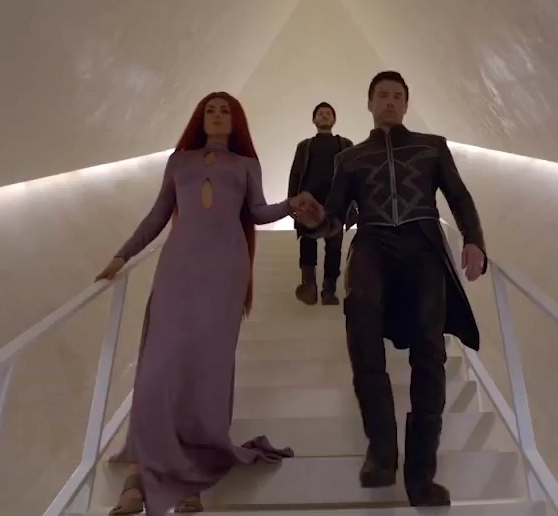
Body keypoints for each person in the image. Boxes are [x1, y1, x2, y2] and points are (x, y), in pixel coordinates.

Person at [95, 92, 313, 516]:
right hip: (178, 266)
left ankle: (191, 480)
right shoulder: (179, 161)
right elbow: (158, 215)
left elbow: (257, 212)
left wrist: (292, 204)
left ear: (235, 121)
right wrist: (121, 256)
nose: (216, 116)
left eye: (224, 111)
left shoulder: (245, 165)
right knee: (158, 368)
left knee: (207, 370)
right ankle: (139, 474)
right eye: (210, 110)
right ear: (200, 117)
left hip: (226, 269)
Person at [294, 71, 487, 507]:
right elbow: (335, 217)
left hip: (423, 244)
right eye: (382, 95)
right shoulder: (351, 157)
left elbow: (458, 196)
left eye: (397, 96)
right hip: (372, 242)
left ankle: (422, 474)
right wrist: (316, 221)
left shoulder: (432, 146)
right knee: (361, 329)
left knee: (430, 351)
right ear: (369, 103)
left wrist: (474, 239)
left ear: (406, 104)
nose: (390, 101)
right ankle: (382, 452)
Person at [286, 101, 357, 305]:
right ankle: (308, 285)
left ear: (334, 119)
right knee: (307, 243)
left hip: (337, 202)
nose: (324, 116)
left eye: (328, 113)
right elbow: (295, 173)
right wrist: (291, 201)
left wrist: (356, 201)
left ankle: (329, 290)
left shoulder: (346, 144)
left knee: (334, 247)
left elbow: (355, 174)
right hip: (308, 201)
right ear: (314, 119)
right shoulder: (305, 146)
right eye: (320, 113)